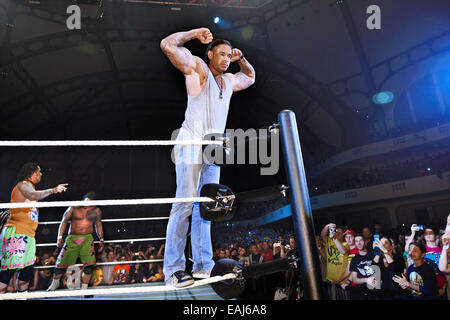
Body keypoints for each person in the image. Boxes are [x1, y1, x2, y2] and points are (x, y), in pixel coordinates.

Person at [160, 27, 255, 287]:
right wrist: (192, 34)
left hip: (213, 149)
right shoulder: (200, 68)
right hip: (191, 143)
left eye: (228, 56)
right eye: (221, 54)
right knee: (183, 205)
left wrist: (242, 58)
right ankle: (173, 270)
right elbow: (167, 45)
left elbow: (250, 77)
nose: (225, 59)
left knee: (207, 209)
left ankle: (204, 266)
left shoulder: (230, 81)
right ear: (210, 54)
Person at [0, 163, 67, 294]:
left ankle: (22, 297)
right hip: (17, 232)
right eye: (39, 172)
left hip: (28, 234)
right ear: (33, 173)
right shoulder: (23, 184)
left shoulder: (29, 186)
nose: (41, 174)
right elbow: (32, 195)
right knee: (9, 270)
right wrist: (53, 190)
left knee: (27, 269)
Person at [47, 192, 104, 291]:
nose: (87, 206)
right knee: (60, 264)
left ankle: (84, 289)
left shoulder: (97, 211)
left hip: (87, 239)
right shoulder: (73, 207)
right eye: (86, 202)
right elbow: (64, 220)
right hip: (72, 239)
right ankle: (54, 284)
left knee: (89, 265)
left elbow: (98, 225)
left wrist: (101, 239)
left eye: (90, 204)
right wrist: (59, 236)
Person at [349, 234, 377, 300]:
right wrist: (366, 280)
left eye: (360, 240)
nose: (359, 243)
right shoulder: (354, 259)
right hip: (364, 292)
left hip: (378, 291)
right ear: (355, 243)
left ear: (365, 242)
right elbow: (354, 279)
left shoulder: (373, 255)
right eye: (356, 241)